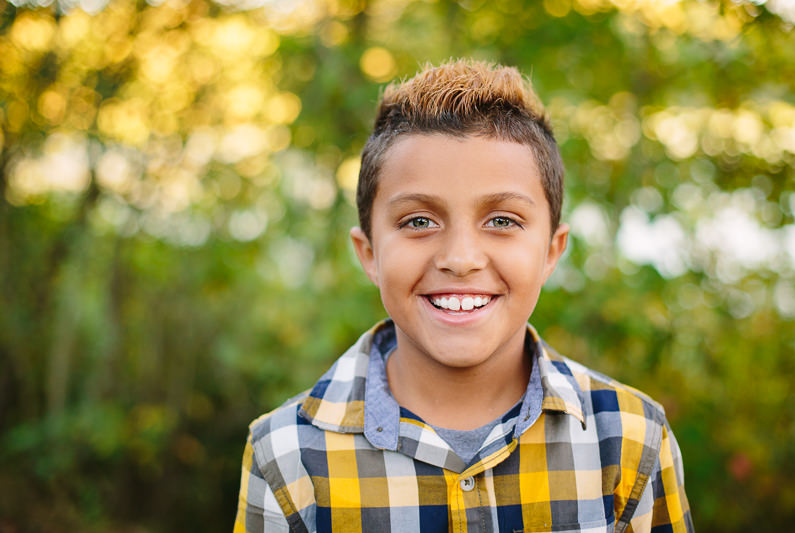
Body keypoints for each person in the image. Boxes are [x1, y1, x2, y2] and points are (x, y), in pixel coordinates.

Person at [233, 59, 693, 533]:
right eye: (418, 221)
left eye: (502, 221)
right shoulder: (287, 453)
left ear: (551, 251)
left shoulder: (630, 439)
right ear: (369, 253)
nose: (460, 258)